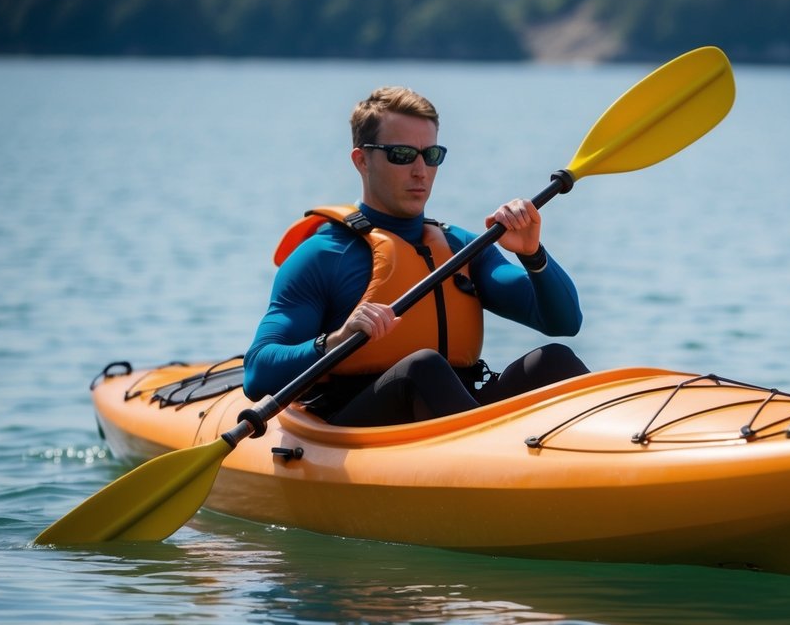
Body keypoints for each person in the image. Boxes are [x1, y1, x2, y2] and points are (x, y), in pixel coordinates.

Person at [242, 86, 588, 426]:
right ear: (362, 160)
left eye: (431, 155)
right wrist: (336, 339)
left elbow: (564, 322)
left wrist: (533, 255)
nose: (421, 171)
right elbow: (258, 373)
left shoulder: (460, 247)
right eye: (403, 155)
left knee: (553, 360)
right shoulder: (324, 255)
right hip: (360, 426)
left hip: (456, 417)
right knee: (422, 368)